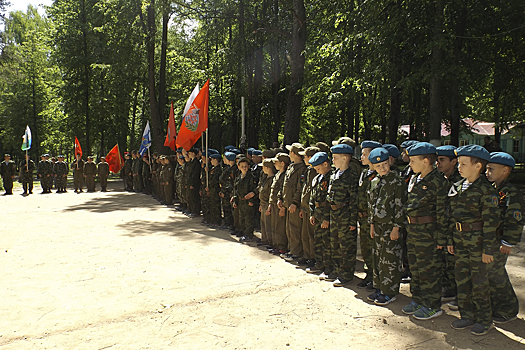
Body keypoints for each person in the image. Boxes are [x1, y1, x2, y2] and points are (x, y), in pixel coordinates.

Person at [448, 145, 500, 336]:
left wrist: (488, 249)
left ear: (478, 166)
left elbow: (491, 223)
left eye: (463, 164)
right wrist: (450, 240)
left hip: (478, 244)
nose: (459, 167)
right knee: (462, 279)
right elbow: (452, 216)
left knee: (479, 282)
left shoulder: (487, 191)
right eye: (459, 163)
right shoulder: (459, 187)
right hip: (460, 240)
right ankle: (467, 315)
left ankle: (485, 319)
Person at [402, 142, 448, 319]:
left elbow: (442, 213)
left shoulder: (438, 182)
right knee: (415, 267)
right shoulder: (416, 178)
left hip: (429, 234)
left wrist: (441, 239)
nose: (410, 164)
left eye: (413, 160)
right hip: (413, 232)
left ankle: (432, 304)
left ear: (426, 160)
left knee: (429, 270)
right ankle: (418, 298)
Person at [485, 152, 524, 324]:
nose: (487, 172)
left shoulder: (510, 192)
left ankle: (508, 309)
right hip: (492, 239)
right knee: (492, 272)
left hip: (501, 241)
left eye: (491, 169)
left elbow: (515, 219)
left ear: (505, 170)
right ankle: (498, 304)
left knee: (496, 272)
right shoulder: (494, 189)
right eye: (486, 169)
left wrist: (508, 241)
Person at [366, 147, 406, 305]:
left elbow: (400, 206)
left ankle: (390, 291)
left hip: (391, 227)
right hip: (378, 226)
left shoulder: (397, 181)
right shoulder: (375, 181)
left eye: (384, 164)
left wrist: (396, 227)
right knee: (378, 258)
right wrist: (372, 225)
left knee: (390, 259)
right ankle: (380, 287)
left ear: (389, 161)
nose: (381, 168)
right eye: (378, 166)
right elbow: (372, 205)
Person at [325, 143, 358, 287]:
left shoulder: (351, 176)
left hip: (345, 215)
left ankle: (346, 274)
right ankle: (337, 270)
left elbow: (353, 200)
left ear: (345, 158)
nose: (333, 160)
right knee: (335, 244)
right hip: (334, 214)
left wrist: (352, 221)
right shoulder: (334, 174)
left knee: (346, 246)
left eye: (335, 158)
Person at [436, 145, 461, 307]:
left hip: (457, 229)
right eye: (437, 160)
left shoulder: (459, 181)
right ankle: (449, 289)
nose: (438, 163)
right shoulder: (441, 179)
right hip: (444, 226)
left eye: (441, 160)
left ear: (454, 162)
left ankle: (461, 294)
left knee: (457, 262)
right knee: (445, 260)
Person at [356, 140, 382, 289]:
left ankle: (376, 277)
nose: (361, 157)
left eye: (364, 154)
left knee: (374, 249)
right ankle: (369, 274)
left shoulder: (379, 174)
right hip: (363, 217)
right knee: (365, 248)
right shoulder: (364, 173)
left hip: (372, 218)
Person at [278, 143, 307, 262]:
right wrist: (280, 197)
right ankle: (291, 250)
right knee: (289, 229)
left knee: (295, 229)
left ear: (293, 153)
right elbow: (284, 185)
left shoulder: (302, 169)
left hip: (294, 205)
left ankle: (296, 252)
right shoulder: (291, 167)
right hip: (287, 203)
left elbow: (300, 188)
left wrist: (295, 202)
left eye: (290, 152)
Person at [308, 152, 333, 277]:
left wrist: (326, 218)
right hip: (317, 214)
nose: (317, 171)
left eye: (318, 168)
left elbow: (329, 200)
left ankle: (328, 266)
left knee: (327, 243)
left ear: (326, 164)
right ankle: (319, 263)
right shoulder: (318, 178)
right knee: (318, 241)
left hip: (325, 215)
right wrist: (312, 213)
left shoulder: (331, 178)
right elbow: (312, 197)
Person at [298, 146, 320, 267]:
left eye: (305, 157)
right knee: (305, 234)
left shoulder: (314, 172)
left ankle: (313, 257)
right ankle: (307, 255)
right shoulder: (308, 171)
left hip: (311, 208)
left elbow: (312, 191)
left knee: (312, 235)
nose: (303, 159)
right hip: (305, 207)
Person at [268, 153, 290, 255]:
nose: (274, 164)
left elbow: (283, 191)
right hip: (274, 204)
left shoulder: (285, 175)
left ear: (282, 163)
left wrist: (283, 206)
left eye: (276, 162)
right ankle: (276, 244)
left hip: (280, 205)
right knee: (275, 226)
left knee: (281, 227)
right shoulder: (278, 174)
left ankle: (282, 246)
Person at [232, 158, 257, 243]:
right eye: (242, 166)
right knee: (241, 218)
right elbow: (236, 190)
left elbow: (253, 190)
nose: (244, 168)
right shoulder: (239, 177)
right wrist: (235, 201)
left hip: (248, 201)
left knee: (248, 218)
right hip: (241, 201)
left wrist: (252, 201)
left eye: (246, 166)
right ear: (238, 167)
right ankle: (243, 232)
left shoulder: (251, 177)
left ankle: (249, 234)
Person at [259, 159, 275, 246]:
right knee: (263, 223)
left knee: (268, 224)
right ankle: (264, 239)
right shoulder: (266, 178)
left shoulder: (272, 179)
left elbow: (270, 194)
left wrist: (269, 206)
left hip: (267, 204)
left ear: (267, 168)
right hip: (263, 203)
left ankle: (270, 242)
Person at [219, 151, 237, 229]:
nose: (223, 160)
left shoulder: (234, 170)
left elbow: (232, 183)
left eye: (225, 158)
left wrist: (226, 192)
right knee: (226, 208)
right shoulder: (227, 168)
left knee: (230, 210)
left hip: (230, 193)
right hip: (225, 192)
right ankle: (227, 223)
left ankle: (231, 224)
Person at [207, 153, 223, 227]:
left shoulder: (218, 169)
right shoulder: (213, 169)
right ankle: (213, 220)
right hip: (212, 190)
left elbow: (216, 180)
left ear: (216, 160)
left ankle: (217, 221)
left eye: (212, 159)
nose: (211, 161)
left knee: (216, 206)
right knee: (212, 205)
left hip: (215, 190)